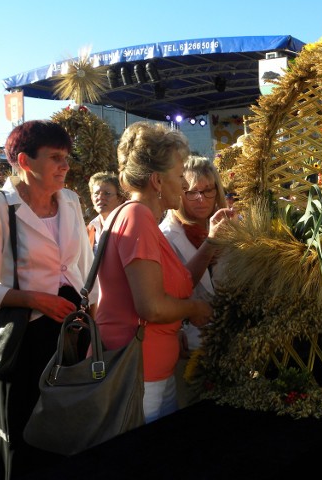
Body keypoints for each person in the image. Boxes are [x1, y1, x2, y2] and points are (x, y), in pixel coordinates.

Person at [95, 121, 233, 424]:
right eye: (179, 172)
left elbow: (180, 281)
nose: (184, 184)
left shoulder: (135, 216)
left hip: (150, 371)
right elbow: (152, 306)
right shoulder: (138, 217)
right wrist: (195, 308)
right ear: (158, 181)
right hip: (142, 376)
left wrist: (211, 241)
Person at [0, 120, 97, 477]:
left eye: (67, 157)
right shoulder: (0, 207)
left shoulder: (70, 200)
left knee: (68, 419)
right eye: (56, 157)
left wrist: (90, 308)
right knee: (25, 429)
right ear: (25, 161)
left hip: (72, 329)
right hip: (26, 334)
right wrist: (34, 300)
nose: (66, 166)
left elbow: (83, 262)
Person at [159, 156, 228, 406]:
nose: (201, 199)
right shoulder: (166, 236)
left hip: (228, 342)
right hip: (188, 343)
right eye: (191, 192)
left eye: (208, 190)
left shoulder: (229, 226)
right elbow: (177, 287)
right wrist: (211, 243)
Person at [86, 171, 125, 253]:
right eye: (96, 193)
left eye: (107, 193)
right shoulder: (90, 229)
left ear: (120, 198)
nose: (100, 197)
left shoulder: (125, 226)